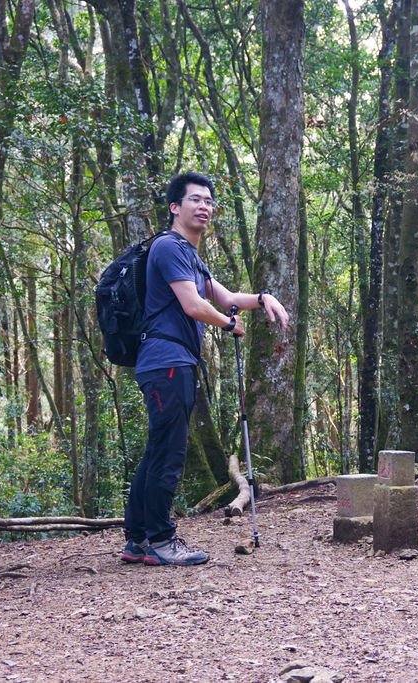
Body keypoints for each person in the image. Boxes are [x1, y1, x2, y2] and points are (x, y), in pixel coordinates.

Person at [120, 172, 289, 566]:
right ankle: (160, 540)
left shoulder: (190, 255)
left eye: (209, 201)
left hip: (171, 362)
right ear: (175, 207)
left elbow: (226, 296)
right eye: (195, 199)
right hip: (167, 362)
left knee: (158, 450)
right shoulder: (167, 247)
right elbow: (193, 305)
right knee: (169, 453)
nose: (204, 207)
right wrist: (230, 324)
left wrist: (263, 298)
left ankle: (139, 540)